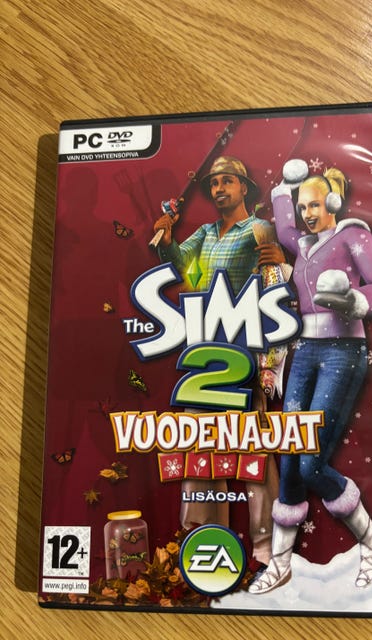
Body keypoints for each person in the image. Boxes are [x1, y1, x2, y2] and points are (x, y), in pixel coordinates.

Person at [249, 166, 372, 594]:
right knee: (290, 456)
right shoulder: (304, 244)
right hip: (305, 352)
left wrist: (355, 300)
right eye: (302, 206)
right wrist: (283, 190)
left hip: (343, 352)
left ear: (332, 203)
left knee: (310, 462)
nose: (307, 213)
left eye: (314, 205)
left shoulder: (352, 235)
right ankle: (281, 563)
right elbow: (284, 228)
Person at [153, 156, 285, 570]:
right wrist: (167, 237)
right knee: (199, 440)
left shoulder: (259, 228)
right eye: (213, 183)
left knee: (251, 444)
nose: (218, 189)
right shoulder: (206, 233)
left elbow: (277, 281)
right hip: (205, 347)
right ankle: (199, 535)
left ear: (244, 187)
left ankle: (268, 545)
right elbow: (178, 264)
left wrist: (270, 358)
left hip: (243, 346)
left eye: (227, 181)